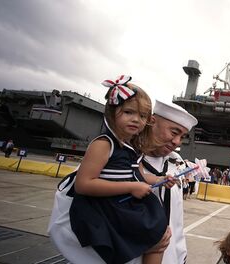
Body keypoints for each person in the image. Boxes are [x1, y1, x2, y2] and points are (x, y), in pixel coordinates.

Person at [48, 75, 175, 264]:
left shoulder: (132, 147)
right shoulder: (103, 144)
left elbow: (138, 175)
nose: (136, 120)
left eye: (142, 116)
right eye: (129, 112)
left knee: (160, 232)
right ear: (111, 112)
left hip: (122, 204)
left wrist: (159, 179)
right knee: (156, 234)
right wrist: (131, 187)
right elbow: (84, 184)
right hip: (104, 207)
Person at [141, 99, 198, 264]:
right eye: (174, 132)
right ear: (152, 122)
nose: (177, 142)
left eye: (182, 136)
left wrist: (180, 256)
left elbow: (177, 222)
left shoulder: (176, 164)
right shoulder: (115, 160)